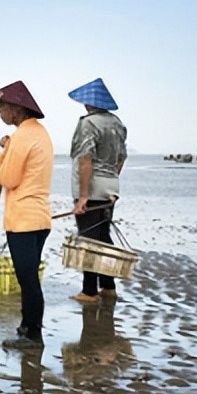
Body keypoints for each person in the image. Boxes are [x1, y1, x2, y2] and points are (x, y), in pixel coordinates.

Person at [0, 80, 54, 349]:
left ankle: (33, 335)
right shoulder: (39, 132)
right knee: (29, 277)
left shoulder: (24, 135)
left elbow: (8, 178)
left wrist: (0, 157)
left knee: (27, 279)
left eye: (2, 107)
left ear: (15, 108)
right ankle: (26, 326)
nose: (0, 113)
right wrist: (9, 148)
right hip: (39, 217)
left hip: (24, 219)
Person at [68, 78, 128, 304]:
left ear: (88, 103)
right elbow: (121, 159)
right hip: (111, 187)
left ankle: (89, 291)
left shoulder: (88, 123)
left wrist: (83, 196)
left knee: (89, 241)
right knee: (103, 237)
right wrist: (110, 181)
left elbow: (85, 160)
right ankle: (108, 286)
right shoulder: (117, 123)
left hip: (92, 189)